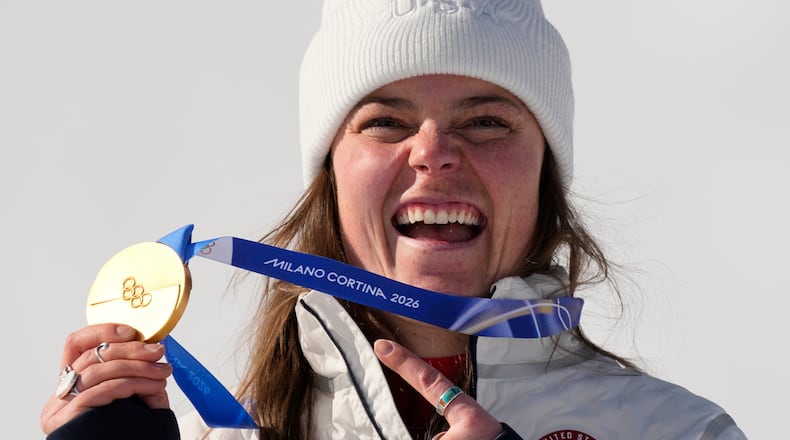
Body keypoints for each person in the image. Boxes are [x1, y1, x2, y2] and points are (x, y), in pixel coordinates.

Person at [40, 1, 747, 439]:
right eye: (385, 122)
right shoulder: (215, 435)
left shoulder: (681, 432)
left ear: (546, 175)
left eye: (488, 121)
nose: (434, 154)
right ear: (331, 176)